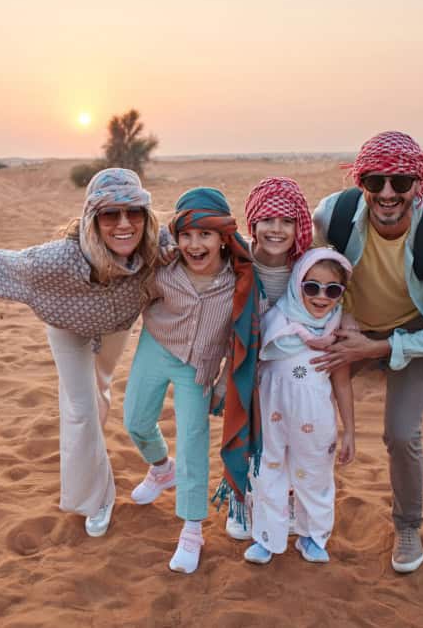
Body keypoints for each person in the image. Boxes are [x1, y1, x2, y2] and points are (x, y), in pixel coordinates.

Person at [0, 168, 161, 538]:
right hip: (67, 326)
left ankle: (89, 460)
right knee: (81, 409)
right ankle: (97, 498)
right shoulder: (56, 259)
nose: (124, 224)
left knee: (99, 393)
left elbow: (204, 241)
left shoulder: (155, 249)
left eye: (134, 212)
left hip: (114, 328)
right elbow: (11, 263)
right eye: (111, 214)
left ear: (146, 217)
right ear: (93, 220)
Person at [310, 131, 423, 573]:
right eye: (375, 180)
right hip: (352, 328)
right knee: (297, 402)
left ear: (419, 184)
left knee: (402, 435)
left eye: (400, 183)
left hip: (415, 332)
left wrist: (379, 346)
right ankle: (292, 504)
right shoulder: (335, 214)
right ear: (360, 181)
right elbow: (286, 249)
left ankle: (408, 525)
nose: (386, 194)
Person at [123, 187, 261, 574]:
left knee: (193, 442)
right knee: (135, 420)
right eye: (187, 235)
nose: (194, 244)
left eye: (205, 235)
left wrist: (222, 383)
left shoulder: (240, 278)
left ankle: (191, 529)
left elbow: (240, 336)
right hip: (156, 345)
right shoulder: (163, 264)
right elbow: (133, 271)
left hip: (198, 367)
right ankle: (160, 468)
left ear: (222, 238)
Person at [243, 248, 356, 565]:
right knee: (267, 475)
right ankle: (267, 538)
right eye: (312, 287)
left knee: (316, 478)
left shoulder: (338, 333)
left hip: (316, 422)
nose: (321, 297)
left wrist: (350, 431)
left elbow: (343, 384)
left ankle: (313, 536)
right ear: (297, 285)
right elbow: (253, 370)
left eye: (332, 290)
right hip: (270, 418)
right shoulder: (273, 321)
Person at [223, 176, 315, 540]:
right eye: (269, 220)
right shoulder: (237, 262)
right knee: (244, 429)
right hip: (246, 366)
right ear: (254, 224)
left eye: (288, 221)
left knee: (292, 436)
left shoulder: (308, 267)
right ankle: (239, 497)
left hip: (294, 372)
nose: (277, 230)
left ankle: (288, 500)